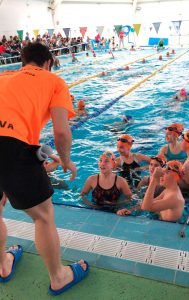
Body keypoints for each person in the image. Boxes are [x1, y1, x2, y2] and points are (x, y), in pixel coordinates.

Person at [0, 42, 89, 296]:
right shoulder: (53, 81)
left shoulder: (4, 76)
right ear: (49, 63)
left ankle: (3, 266)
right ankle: (59, 277)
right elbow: (61, 131)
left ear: (21, 62)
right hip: (11, 149)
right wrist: (66, 159)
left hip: (11, 146)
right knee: (43, 216)